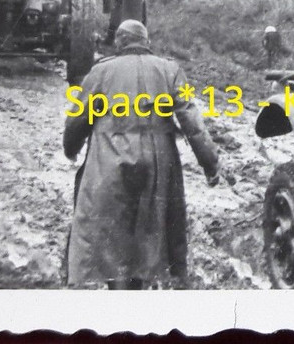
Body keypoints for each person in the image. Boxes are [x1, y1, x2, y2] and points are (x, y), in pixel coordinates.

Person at [64, 19, 224, 289]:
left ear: (120, 42)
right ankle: (139, 295)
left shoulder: (101, 71)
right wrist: (211, 164)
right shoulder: (169, 70)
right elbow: (192, 123)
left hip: (108, 160)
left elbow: (79, 117)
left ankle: (119, 297)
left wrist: (71, 147)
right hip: (158, 162)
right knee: (149, 234)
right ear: (146, 42)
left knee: (111, 235)